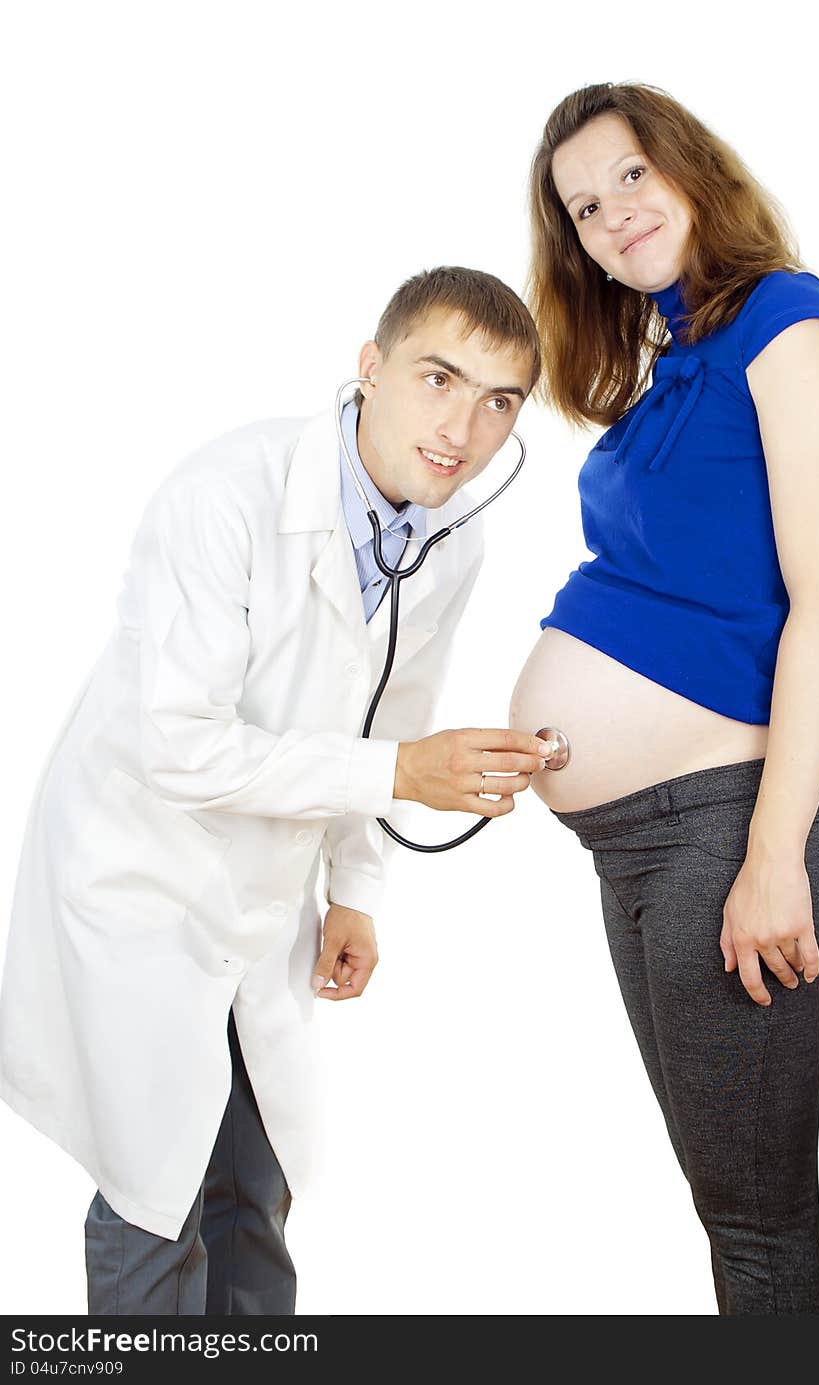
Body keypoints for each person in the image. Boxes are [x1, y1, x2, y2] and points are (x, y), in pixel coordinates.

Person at [0, 265, 552, 1315]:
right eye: (439, 378)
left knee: (255, 1189)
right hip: (137, 881)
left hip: (266, 893)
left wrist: (356, 888)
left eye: (498, 402)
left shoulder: (450, 533)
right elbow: (180, 743)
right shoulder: (226, 494)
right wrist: (399, 774)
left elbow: (391, 706)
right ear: (369, 367)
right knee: (155, 1196)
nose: (462, 427)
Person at [509, 83, 819, 1315]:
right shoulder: (676, 359)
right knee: (731, 1220)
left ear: (687, 167)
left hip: (728, 832)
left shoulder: (788, 321)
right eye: (580, 207)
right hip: (640, 850)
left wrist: (772, 855)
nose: (609, 216)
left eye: (626, 178)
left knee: (761, 1231)